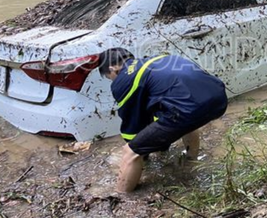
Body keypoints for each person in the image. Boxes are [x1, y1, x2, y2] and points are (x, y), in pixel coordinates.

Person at [98, 48, 228, 192]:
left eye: (109, 77)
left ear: (113, 68)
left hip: (188, 110)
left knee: (131, 151)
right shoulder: (158, 59)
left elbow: (132, 125)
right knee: (186, 121)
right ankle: (191, 161)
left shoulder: (123, 78)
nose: (112, 80)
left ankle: (122, 195)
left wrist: (142, 152)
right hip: (218, 98)